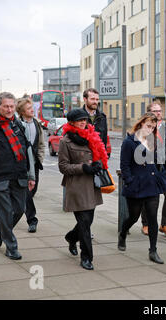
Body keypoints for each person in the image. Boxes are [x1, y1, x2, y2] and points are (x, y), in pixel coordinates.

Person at [0, 92, 36, 260]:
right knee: (5, 212)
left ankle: (1, 230)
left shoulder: (19, 125)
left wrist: (31, 175)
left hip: (20, 175)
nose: (9, 110)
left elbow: (28, 151)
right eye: (6, 106)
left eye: (12, 106)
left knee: (20, 209)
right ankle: (11, 247)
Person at [58, 108, 107, 270]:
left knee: (87, 221)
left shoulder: (91, 136)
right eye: (79, 120)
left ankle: (71, 237)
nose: (83, 122)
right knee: (85, 224)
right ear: (71, 122)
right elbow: (63, 167)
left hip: (92, 186)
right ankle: (86, 257)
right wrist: (83, 167)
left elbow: (98, 155)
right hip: (77, 187)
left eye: (85, 120)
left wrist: (98, 163)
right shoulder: (65, 141)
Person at [118, 113, 166, 264]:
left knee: (152, 218)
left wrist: (162, 174)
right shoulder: (129, 142)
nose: (150, 129)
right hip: (136, 186)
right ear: (140, 124)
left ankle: (153, 250)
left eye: (153, 127)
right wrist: (130, 181)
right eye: (148, 126)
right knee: (133, 216)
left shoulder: (152, 141)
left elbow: (160, 161)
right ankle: (122, 233)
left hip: (152, 185)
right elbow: (124, 165)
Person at [139, 100, 166, 238]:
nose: (158, 113)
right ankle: (146, 224)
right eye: (155, 111)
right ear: (149, 112)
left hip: (164, 167)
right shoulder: (144, 126)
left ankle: (165, 224)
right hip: (149, 166)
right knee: (149, 196)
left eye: (160, 110)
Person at [16, 97, 45, 233]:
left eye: (32, 107)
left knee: (31, 192)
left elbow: (41, 144)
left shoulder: (37, 123)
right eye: (29, 108)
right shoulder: (16, 124)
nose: (32, 110)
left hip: (34, 164)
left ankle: (8, 220)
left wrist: (40, 158)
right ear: (22, 111)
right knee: (26, 192)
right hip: (20, 165)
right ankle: (32, 219)